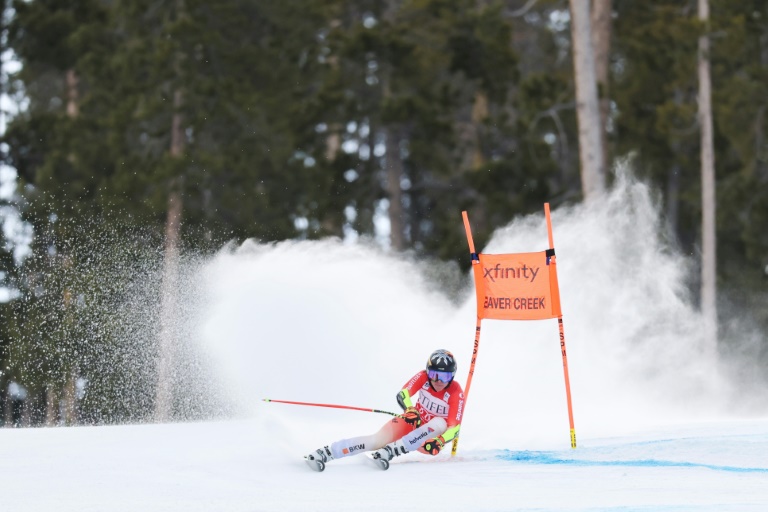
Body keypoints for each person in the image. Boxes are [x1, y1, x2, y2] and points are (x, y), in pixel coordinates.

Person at [305, 349, 464, 471]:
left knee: (440, 423)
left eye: (445, 377)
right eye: (434, 374)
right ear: (428, 372)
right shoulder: (423, 377)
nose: (438, 381)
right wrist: (410, 409)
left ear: (453, 376)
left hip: (429, 441)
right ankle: (326, 453)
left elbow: (454, 428)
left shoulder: (456, 392)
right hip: (412, 421)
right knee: (376, 440)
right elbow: (403, 393)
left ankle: (390, 451)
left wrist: (440, 441)